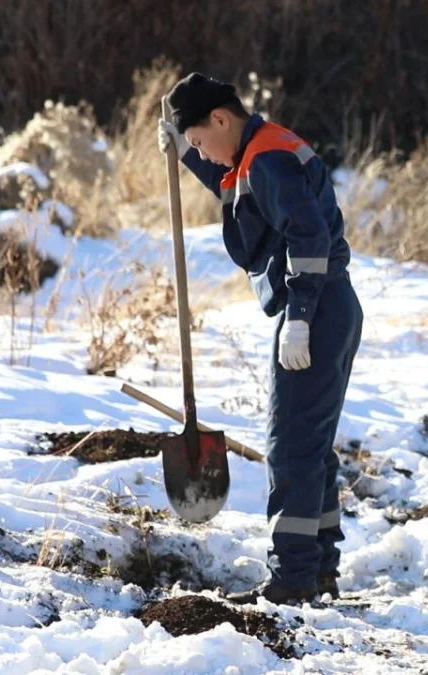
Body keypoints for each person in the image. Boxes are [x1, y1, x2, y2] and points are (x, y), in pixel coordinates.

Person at [157, 72, 363, 605]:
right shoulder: (257, 152)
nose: (206, 152)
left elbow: (308, 236)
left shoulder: (266, 159)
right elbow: (233, 184)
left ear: (221, 119)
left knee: (290, 446)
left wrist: (298, 316)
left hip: (315, 309)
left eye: (201, 139)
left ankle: (292, 579)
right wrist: (184, 151)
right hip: (331, 305)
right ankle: (318, 569)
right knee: (311, 446)